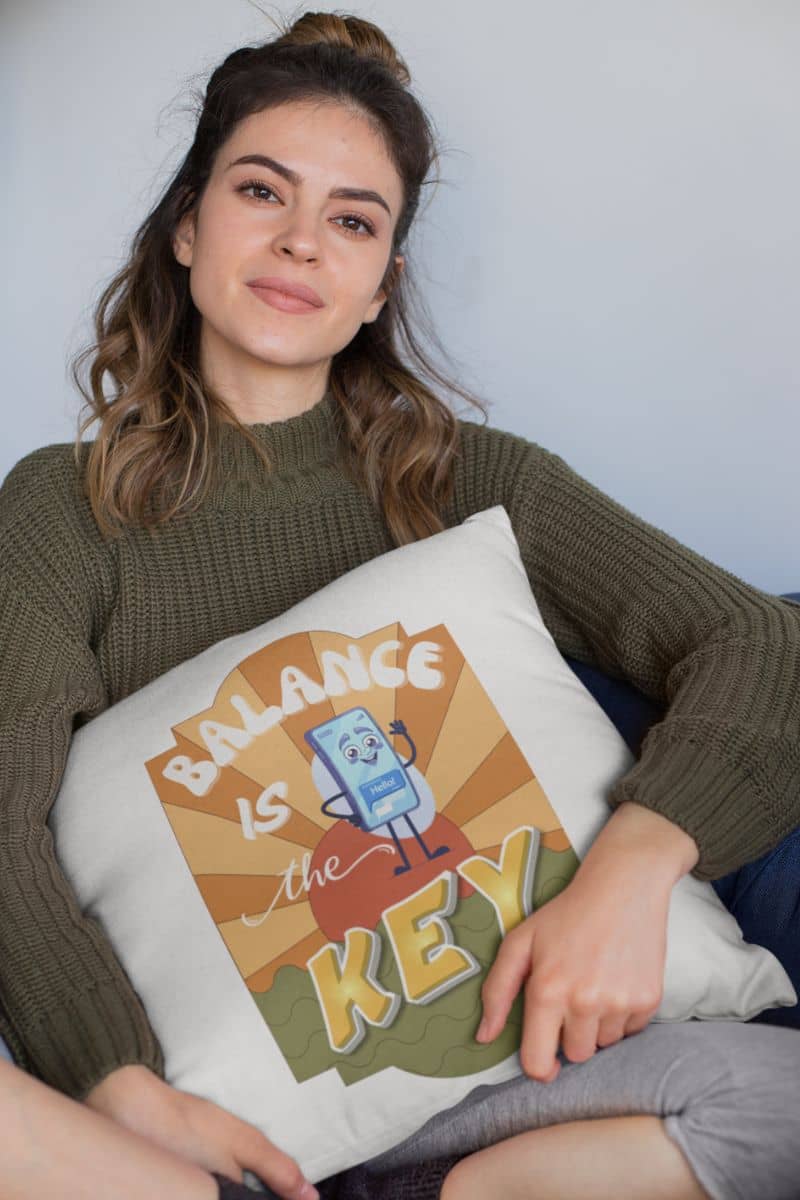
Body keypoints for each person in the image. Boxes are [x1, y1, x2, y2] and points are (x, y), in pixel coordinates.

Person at [1, 10, 799, 1200]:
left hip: (521, 1072)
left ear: (382, 284)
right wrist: (122, 1086)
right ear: (185, 226)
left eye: (352, 220)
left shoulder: (472, 482)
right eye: (261, 191)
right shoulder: (62, 509)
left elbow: (758, 642)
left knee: (776, 1104)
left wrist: (627, 874)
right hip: (236, 1119)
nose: (300, 244)